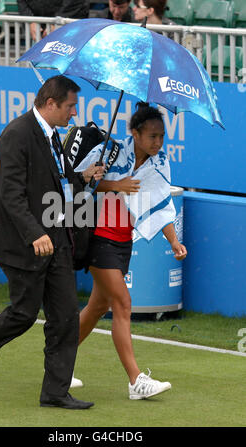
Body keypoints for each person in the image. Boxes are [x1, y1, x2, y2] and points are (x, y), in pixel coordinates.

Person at [0, 75, 104, 410]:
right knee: (24, 314)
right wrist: (34, 233)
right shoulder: (17, 134)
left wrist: (83, 178)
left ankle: (55, 391)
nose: (74, 113)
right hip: (25, 242)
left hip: (57, 238)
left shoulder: (54, 136)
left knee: (67, 316)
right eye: (70, 106)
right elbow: (10, 193)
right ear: (51, 103)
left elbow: (58, 181)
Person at [75, 102, 187, 400]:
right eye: (152, 136)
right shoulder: (111, 151)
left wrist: (174, 242)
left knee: (97, 307)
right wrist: (115, 183)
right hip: (98, 235)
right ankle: (136, 380)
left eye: (162, 136)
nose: (158, 142)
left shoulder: (160, 162)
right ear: (135, 133)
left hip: (123, 242)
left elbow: (161, 204)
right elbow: (80, 181)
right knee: (123, 303)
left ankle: (57, 361)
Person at [17, 0, 90, 41]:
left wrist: (57, 21)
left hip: (69, 22)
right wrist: (30, 20)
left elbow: (76, 2)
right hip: (39, 24)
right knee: (40, 64)